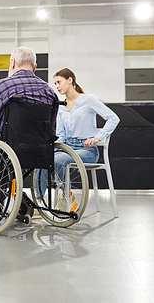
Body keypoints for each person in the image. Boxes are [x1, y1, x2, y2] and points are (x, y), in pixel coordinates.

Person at [52, 67, 120, 209]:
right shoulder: (61, 107)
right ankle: (40, 202)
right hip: (68, 148)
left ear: (70, 80)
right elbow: (61, 135)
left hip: (87, 151)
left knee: (57, 159)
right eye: (55, 84)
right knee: (44, 158)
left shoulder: (88, 100)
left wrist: (97, 137)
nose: (57, 87)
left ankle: (66, 196)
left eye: (59, 82)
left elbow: (113, 118)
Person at [0, 46, 59, 130]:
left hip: (7, 141)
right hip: (41, 141)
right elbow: (51, 123)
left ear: (12, 63)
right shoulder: (49, 92)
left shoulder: (4, 86)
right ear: (35, 67)